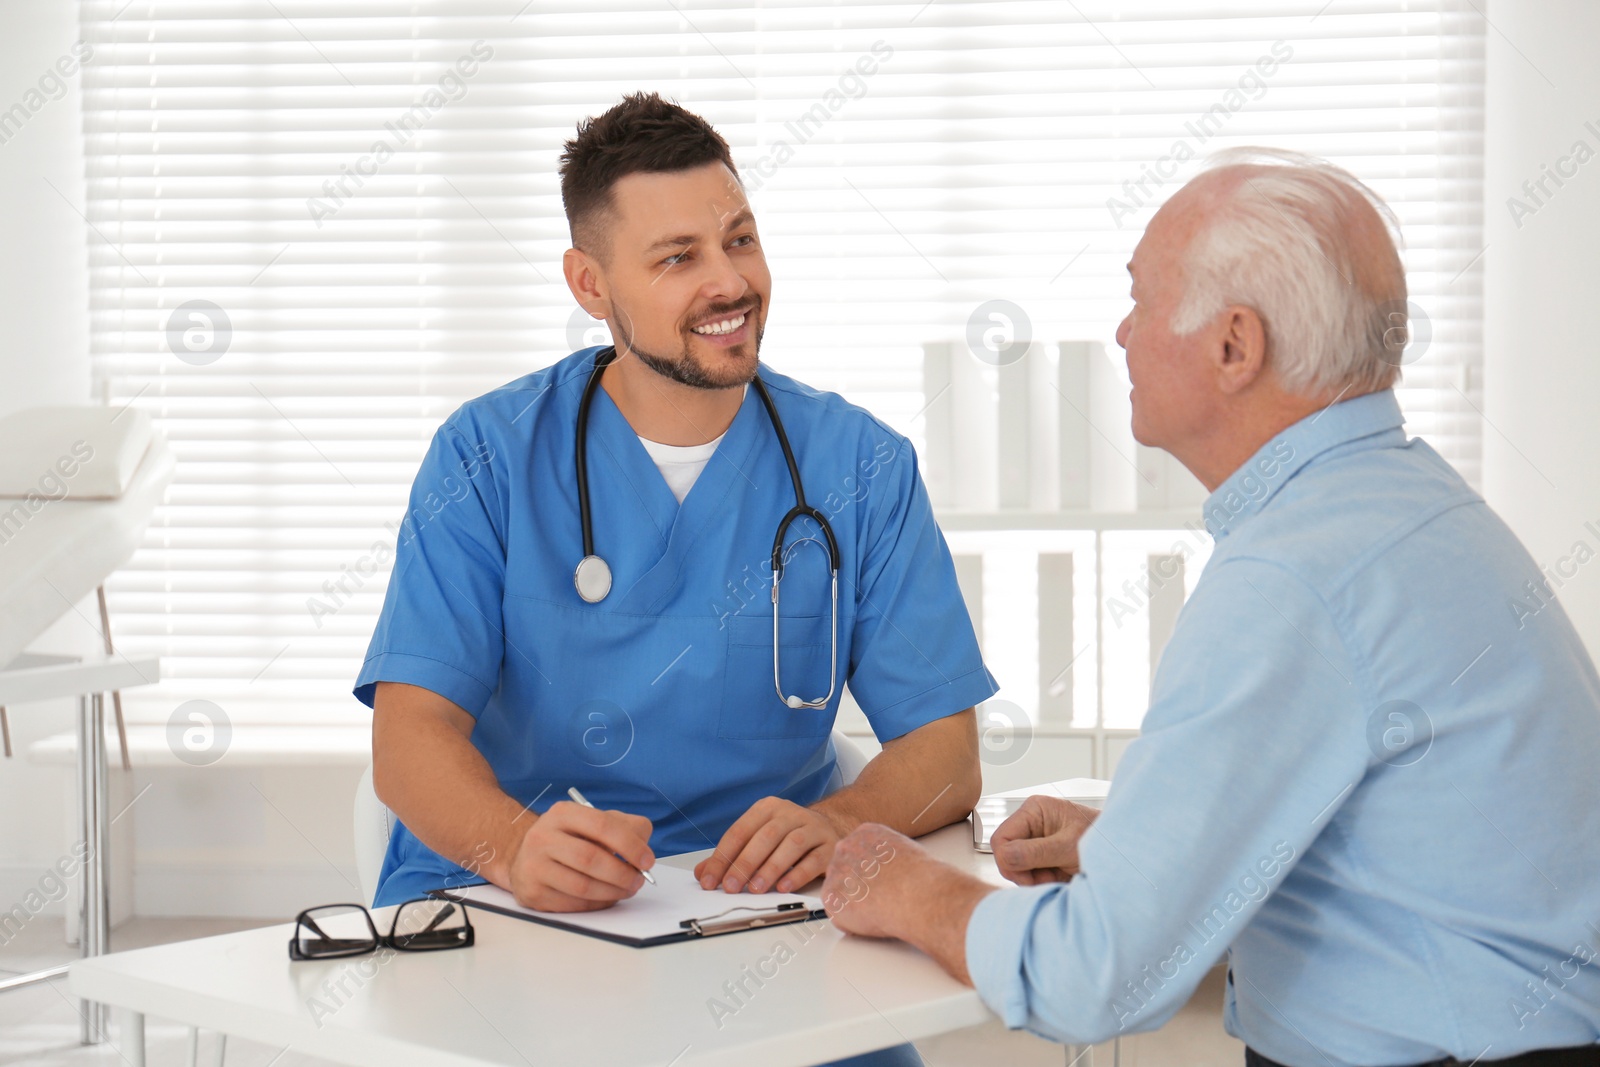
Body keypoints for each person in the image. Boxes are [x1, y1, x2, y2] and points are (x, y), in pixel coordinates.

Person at [819, 148, 1600, 1066]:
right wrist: (1147, 849)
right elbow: (1410, 848)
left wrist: (906, 886)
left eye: (1142, 300)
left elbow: (1092, 976)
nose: (1120, 334)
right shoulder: (1410, 507)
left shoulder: (1296, 574)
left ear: (1235, 345)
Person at [355, 90, 992, 1067]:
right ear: (590, 284)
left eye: (740, 239)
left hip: (758, 914)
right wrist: (513, 845)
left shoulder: (859, 464)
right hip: (517, 903)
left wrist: (837, 821)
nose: (730, 280)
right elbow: (408, 742)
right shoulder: (485, 456)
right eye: (677, 257)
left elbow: (947, 748)